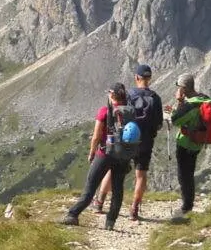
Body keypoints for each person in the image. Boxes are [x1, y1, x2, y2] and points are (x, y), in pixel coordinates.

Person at [94, 64, 165, 220]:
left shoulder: (129, 95)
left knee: (114, 170)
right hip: (145, 141)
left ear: (136, 77)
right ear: (149, 78)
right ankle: (134, 210)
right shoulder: (155, 98)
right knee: (141, 174)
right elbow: (159, 124)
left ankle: (99, 202)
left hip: (126, 140)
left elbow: (119, 115)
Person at [62, 82, 133, 231]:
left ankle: (73, 215)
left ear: (112, 95)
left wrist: (91, 152)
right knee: (118, 190)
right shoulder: (130, 111)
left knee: (90, 187)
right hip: (122, 156)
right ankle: (110, 223)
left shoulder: (104, 111)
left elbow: (96, 136)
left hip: (104, 153)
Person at [168, 73, 211, 220]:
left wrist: (179, 102)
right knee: (189, 172)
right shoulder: (204, 99)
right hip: (198, 143)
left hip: (186, 143)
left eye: (179, 87)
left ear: (183, 88)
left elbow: (176, 120)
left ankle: (186, 207)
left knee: (184, 175)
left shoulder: (190, 105)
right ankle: (188, 203)